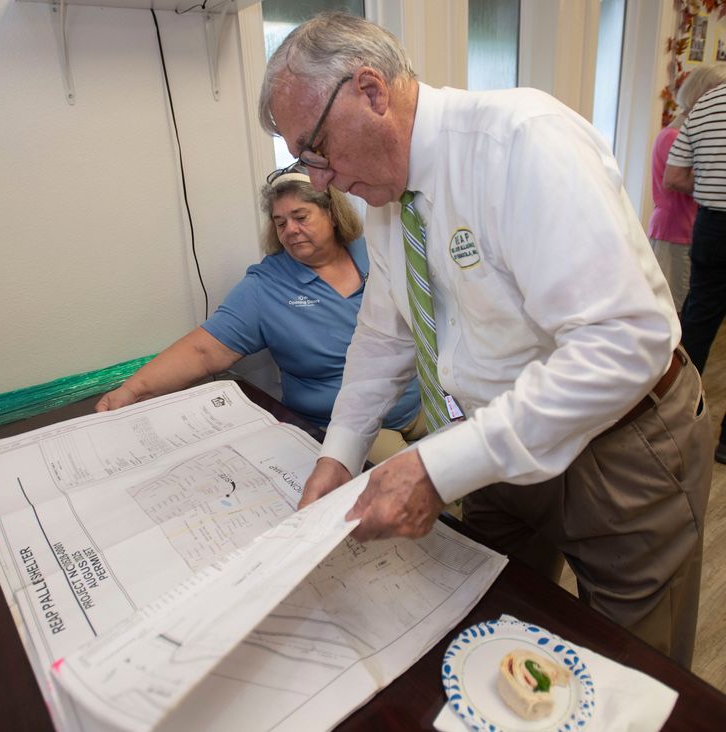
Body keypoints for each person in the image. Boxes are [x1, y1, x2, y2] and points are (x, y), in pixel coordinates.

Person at [258, 11, 712, 667]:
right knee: (486, 627)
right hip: (492, 445)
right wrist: (338, 457)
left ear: (372, 92)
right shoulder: (388, 199)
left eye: (317, 149)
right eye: (303, 161)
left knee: (634, 669)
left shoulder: (524, 142)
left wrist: (438, 467)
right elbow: (384, 340)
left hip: (622, 446)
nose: (319, 179)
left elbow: (624, 343)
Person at [97, 170, 424, 465]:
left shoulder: (373, 252)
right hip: (352, 425)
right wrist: (133, 390)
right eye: (280, 223)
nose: (290, 230)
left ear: (332, 214)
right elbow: (203, 351)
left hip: (419, 399)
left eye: (300, 217)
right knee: (435, 492)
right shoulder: (266, 286)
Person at [664, 65, 726, 463]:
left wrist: (707, 181)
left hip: (713, 225)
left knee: (697, 325)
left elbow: (675, 175)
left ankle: (674, 423)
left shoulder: (705, 106)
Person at [647, 67, 718, 313]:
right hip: (673, 229)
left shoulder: (686, 133)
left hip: (685, 229)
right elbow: (676, 181)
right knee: (670, 307)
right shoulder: (673, 136)